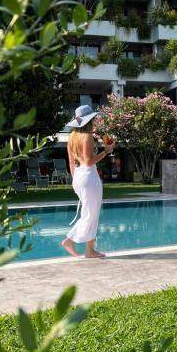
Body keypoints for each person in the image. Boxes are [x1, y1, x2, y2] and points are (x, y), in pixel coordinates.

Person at [61, 104, 115, 259]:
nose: (96, 120)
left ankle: (89, 250)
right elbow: (89, 161)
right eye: (94, 118)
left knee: (90, 213)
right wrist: (106, 151)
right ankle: (71, 241)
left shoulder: (72, 137)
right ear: (90, 120)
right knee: (91, 214)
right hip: (88, 177)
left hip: (78, 176)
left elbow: (72, 163)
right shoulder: (87, 136)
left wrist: (75, 180)